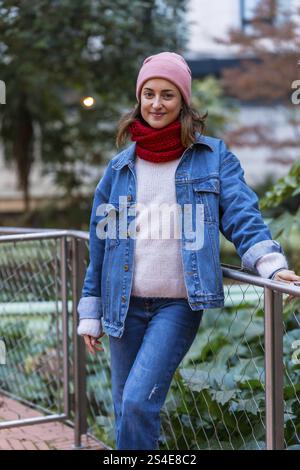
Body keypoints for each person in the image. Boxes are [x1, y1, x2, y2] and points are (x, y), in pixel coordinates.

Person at [76, 52, 300, 450]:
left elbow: (241, 214)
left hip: (176, 306)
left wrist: (270, 264)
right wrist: (90, 310)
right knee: (124, 408)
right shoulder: (119, 170)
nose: (157, 103)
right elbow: (102, 245)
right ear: (139, 100)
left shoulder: (211, 157)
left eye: (167, 94)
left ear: (182, 102)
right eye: (149, 94)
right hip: (122, 305)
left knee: (138, 402)